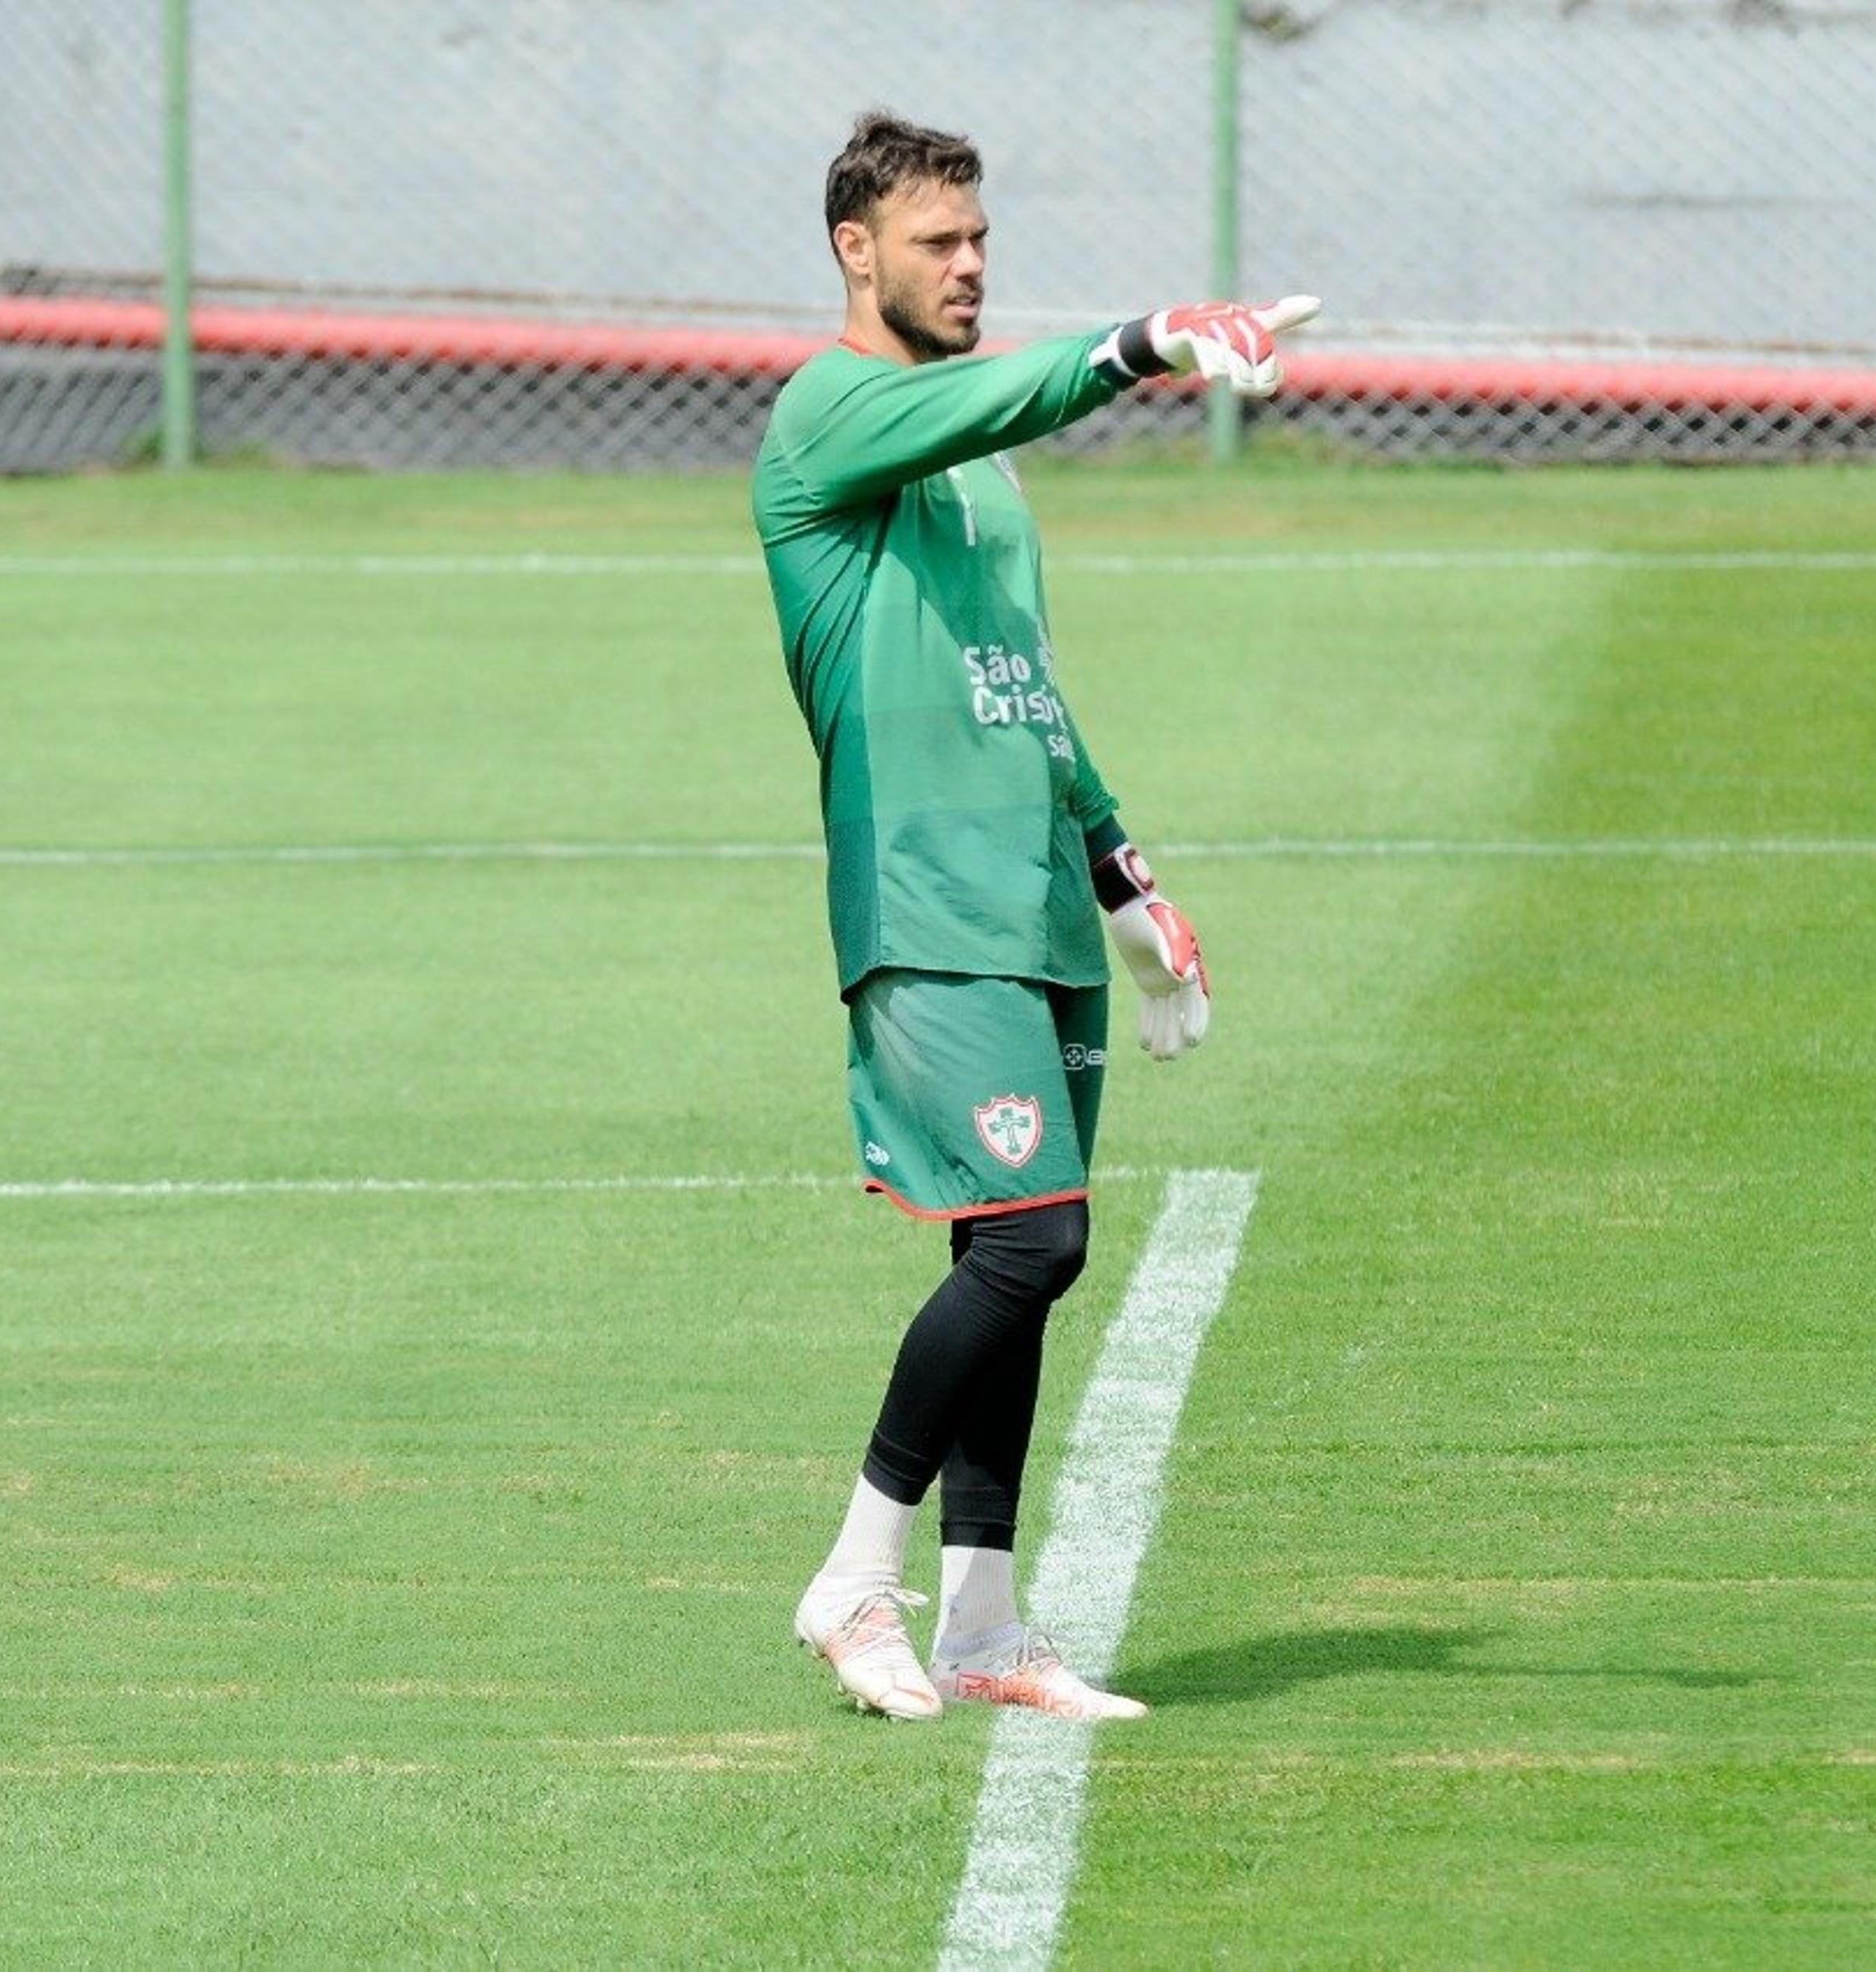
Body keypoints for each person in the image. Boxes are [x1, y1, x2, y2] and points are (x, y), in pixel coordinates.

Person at [751, 110, 1318, 1722]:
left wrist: (1123, 871)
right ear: (856, 251)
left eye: (981, 239)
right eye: (938, 242)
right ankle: (858, 1578)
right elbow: (1003, 392)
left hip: (1033, 899)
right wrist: (1138, 345)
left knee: (1025, 1248)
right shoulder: (830, 416)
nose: (970, 265)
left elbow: (1026, 686)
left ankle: (987, 1624)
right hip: (924, 904)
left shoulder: (980, 469)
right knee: (1032, 1242)